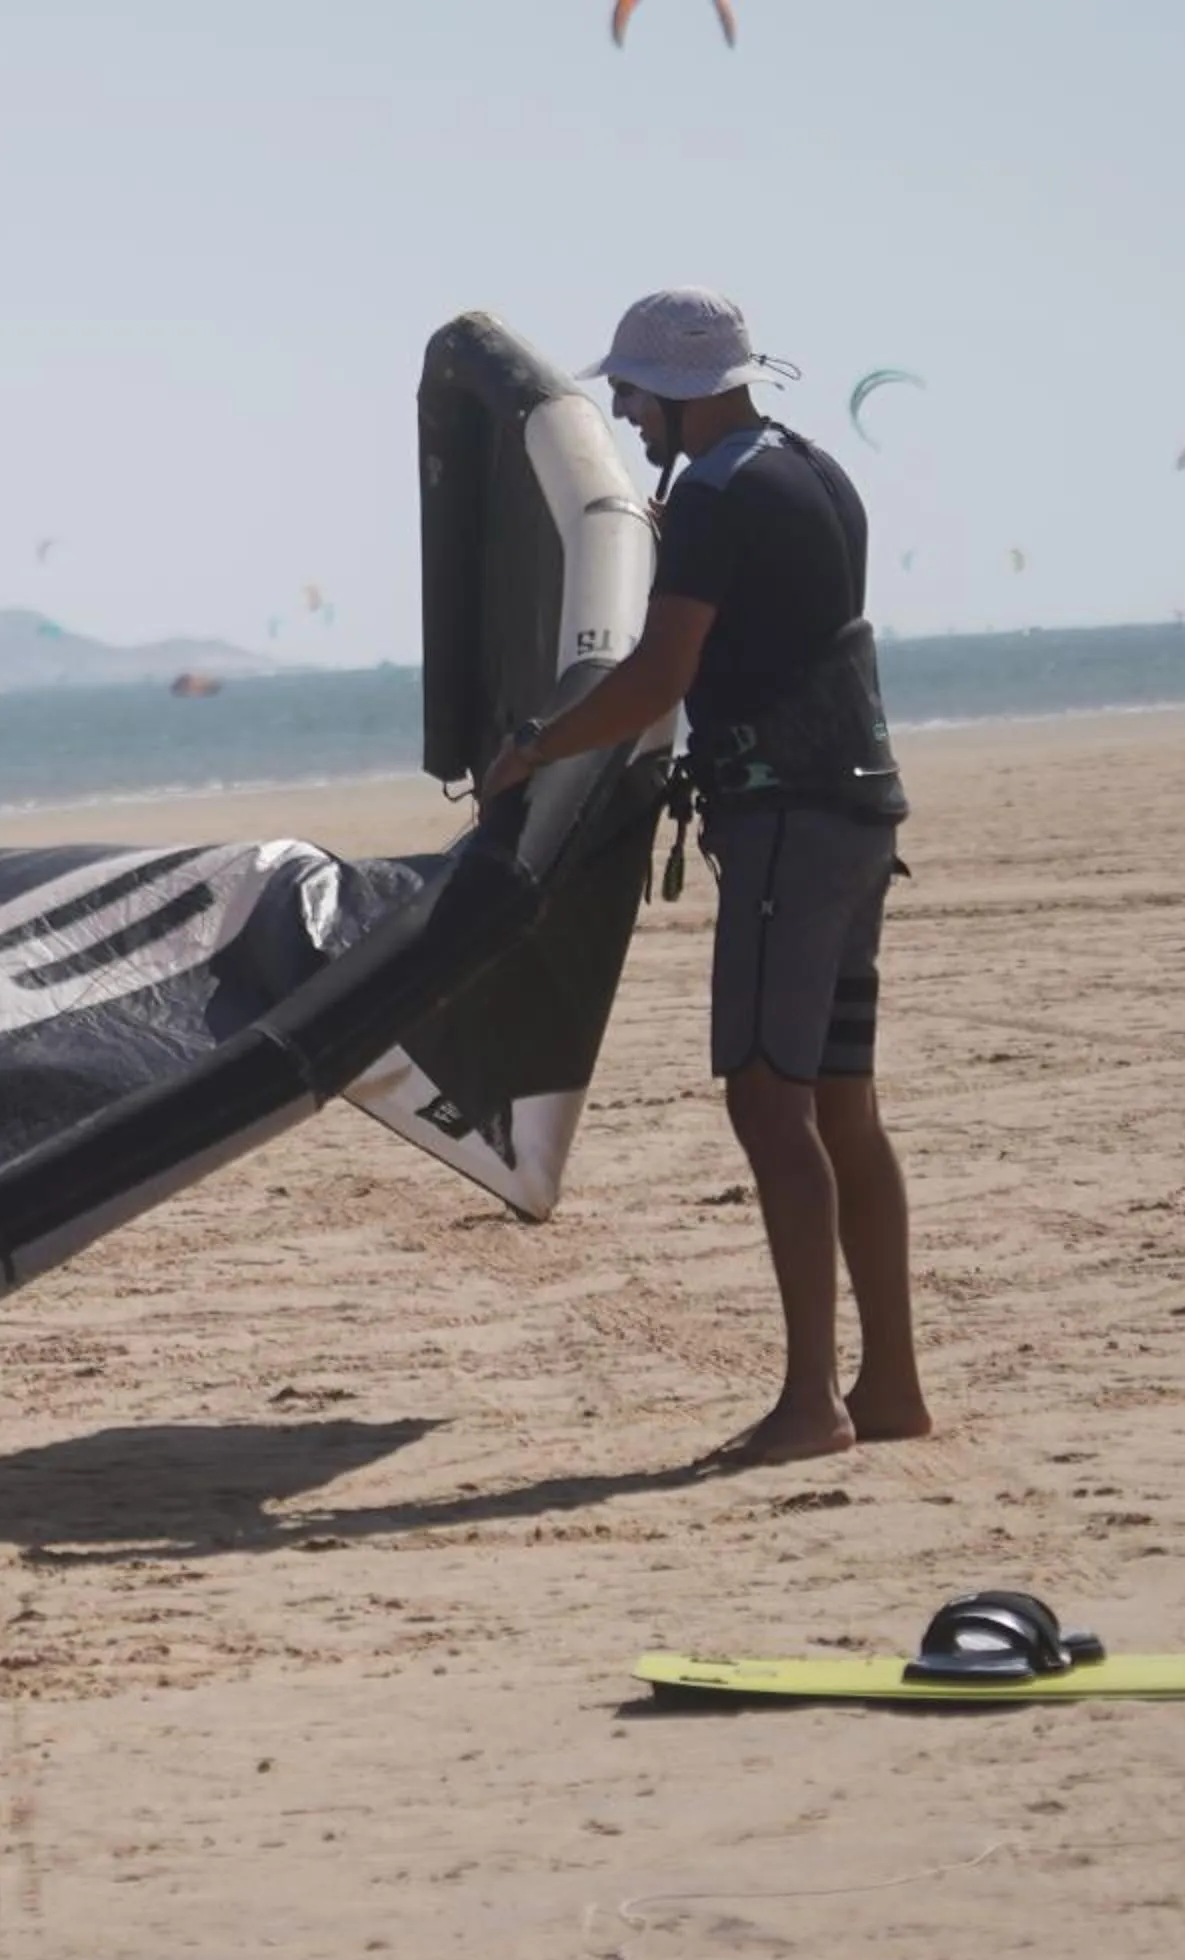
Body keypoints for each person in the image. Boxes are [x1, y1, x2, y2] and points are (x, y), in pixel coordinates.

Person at [480, 288, 929, 1466]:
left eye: (632, 392)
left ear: (680, 393)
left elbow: (659, 674)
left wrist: (537, 744)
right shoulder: (819, 472)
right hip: (859, 807)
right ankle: (888, 1387)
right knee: (845, 1104)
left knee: (766, 1101)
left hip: (788, 825)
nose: (624, 413)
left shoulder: (719, 494)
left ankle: (809, 1402)